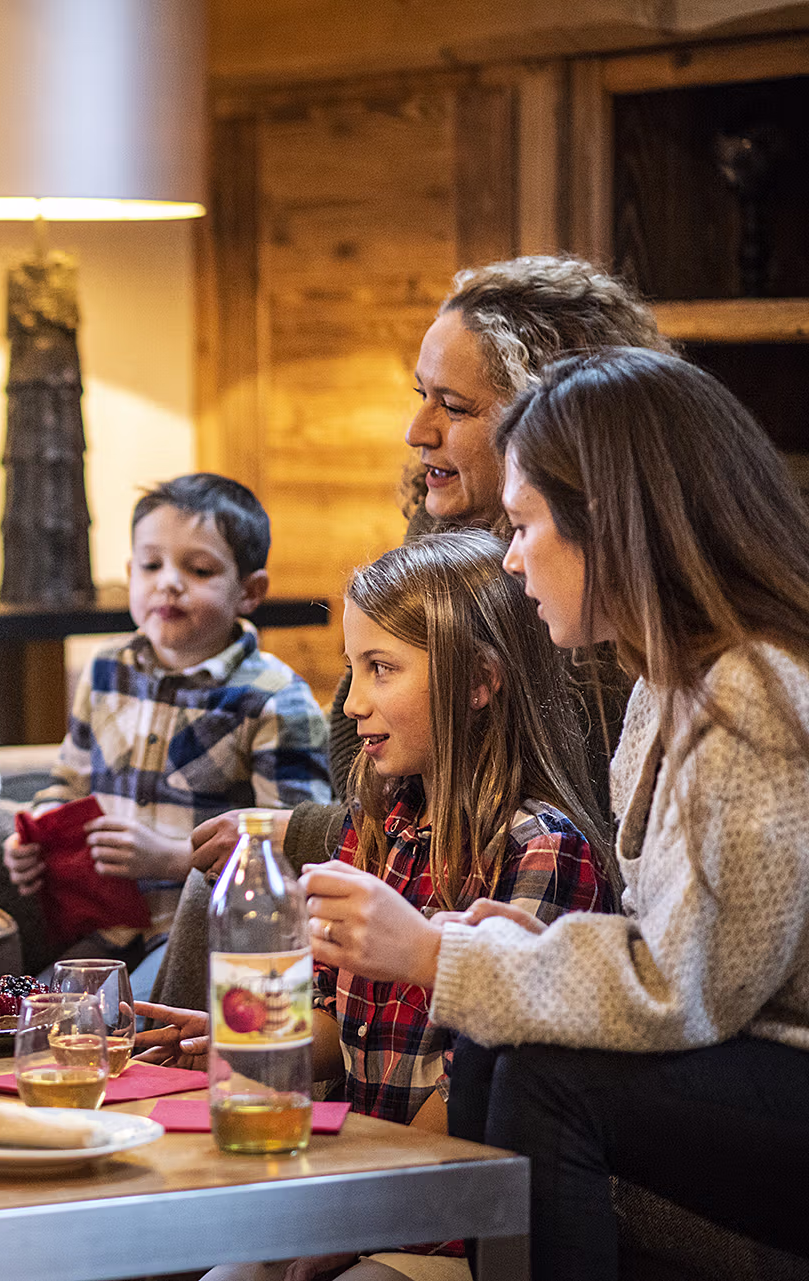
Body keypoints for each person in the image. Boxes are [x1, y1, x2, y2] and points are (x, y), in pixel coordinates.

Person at [310, 349, 809, 1280]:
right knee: (501, 1043)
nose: (511, 555)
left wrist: (435, 954)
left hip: (781, 1063)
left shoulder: (752, 695)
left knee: (548, 1076)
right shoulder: (663, 688)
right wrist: (528, 950)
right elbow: (672, 939)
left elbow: (691, 989)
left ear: (608, 527)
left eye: (526, 523)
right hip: (744, 1048)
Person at [138, 530, 614, 1281]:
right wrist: (256, 1043)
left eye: (381, 668)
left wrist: (361, 1217)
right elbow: (343, 1024)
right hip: (357, 1185)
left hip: (448, 1221)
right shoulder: (382, 827)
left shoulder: (544, 851)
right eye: (351, 668)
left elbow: (476, 1086)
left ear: (480, 680)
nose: (353, 702)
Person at [191, 256, 668, 877]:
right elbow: (368, 753)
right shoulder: (441, 520)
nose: (417, 431)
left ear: (551, 421)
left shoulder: (592, 594)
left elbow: (560, 818)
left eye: (455, 408)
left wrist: (307, 834)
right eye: (422, 396)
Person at [0, 475, 330, 983]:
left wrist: (173, 859)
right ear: (131, 573)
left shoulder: (276, 699)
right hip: (104, 925)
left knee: (133, 1013)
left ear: (249, 591)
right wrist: (38, 836)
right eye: (151, 565)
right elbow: (69, 783)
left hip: (201, 932)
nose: (168, 582)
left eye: (199, 570)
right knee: (42, 1010)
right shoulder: (105, 669)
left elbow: (293, 848)